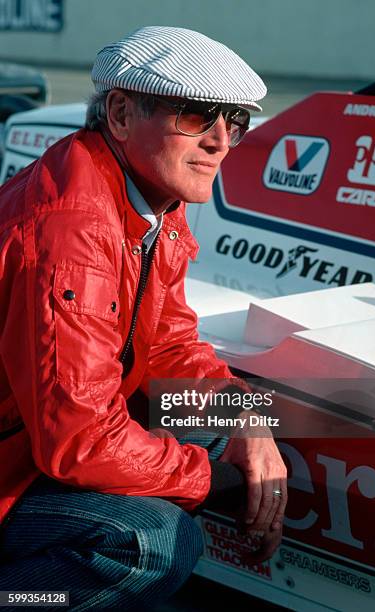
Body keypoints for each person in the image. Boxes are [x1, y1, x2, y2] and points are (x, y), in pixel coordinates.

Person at [0, 26, 287, 609]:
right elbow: (80, 441)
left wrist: (249, 419)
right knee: (152, 541)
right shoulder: (72, 231)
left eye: (235, 122)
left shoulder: (149, 199)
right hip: (15, 467)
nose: (221, 142)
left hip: (34, 444)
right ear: (122, 112)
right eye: (199, 115)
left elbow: (171, 347)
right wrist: (212, 482)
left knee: (221, 423)